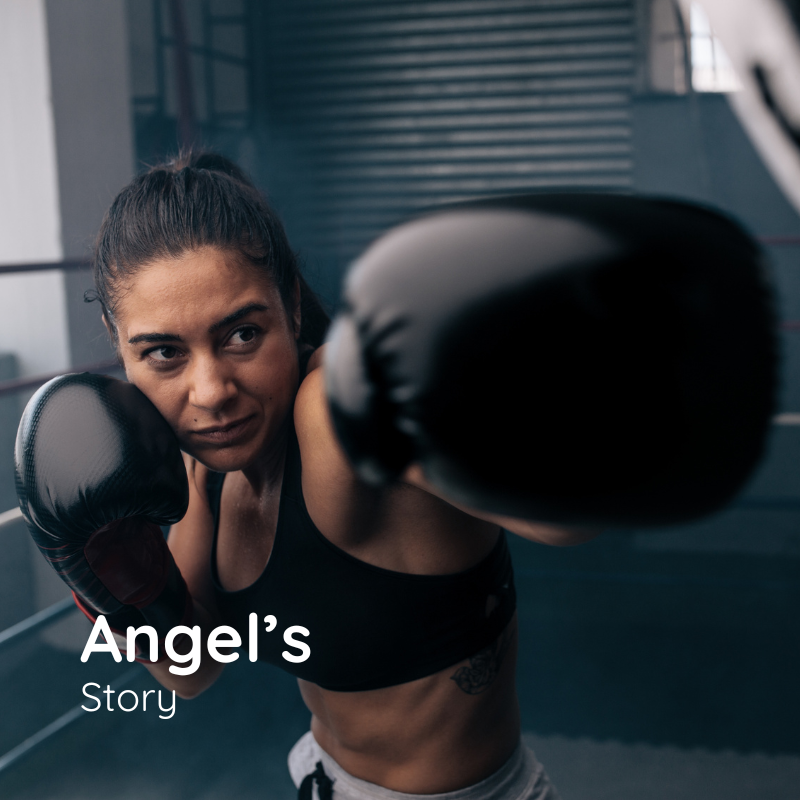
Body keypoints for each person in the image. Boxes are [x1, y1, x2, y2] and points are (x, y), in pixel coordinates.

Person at [15, 151, 776, 800]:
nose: (211, 390)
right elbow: (193, 671)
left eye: (243, 333)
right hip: (325, 778)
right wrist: (108, 572)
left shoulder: (338, 410)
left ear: (289, 307)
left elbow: (566, 522)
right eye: (163, 354)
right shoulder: (196, 466)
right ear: (119, 348)